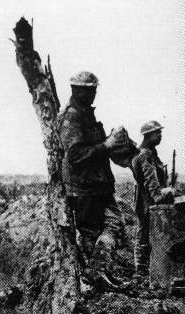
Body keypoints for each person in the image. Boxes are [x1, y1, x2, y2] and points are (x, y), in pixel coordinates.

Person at [58, 71, 130, 291]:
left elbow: (97, 150)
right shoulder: (72, 117)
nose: (93, 94)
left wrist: (117, 144)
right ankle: (94, 279)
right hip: (84, 188)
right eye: (89, 90)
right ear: (77, 91)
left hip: (98, 186)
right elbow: (76, 155)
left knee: (114, 226)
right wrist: (107, 145)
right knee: (91, 234)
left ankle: (97, 274)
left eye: (94, 90)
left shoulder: (85, 116)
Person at [131, 120, 174, 277]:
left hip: (147, 198)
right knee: (145, 231)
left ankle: (147, 268)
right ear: (149, 136)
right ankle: (142, 271)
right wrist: (163, 194)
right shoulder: (145, 155)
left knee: (147, 231)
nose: (160, 136)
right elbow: (151, 182)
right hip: (146, 199)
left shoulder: (150, 153)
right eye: (158, 133)